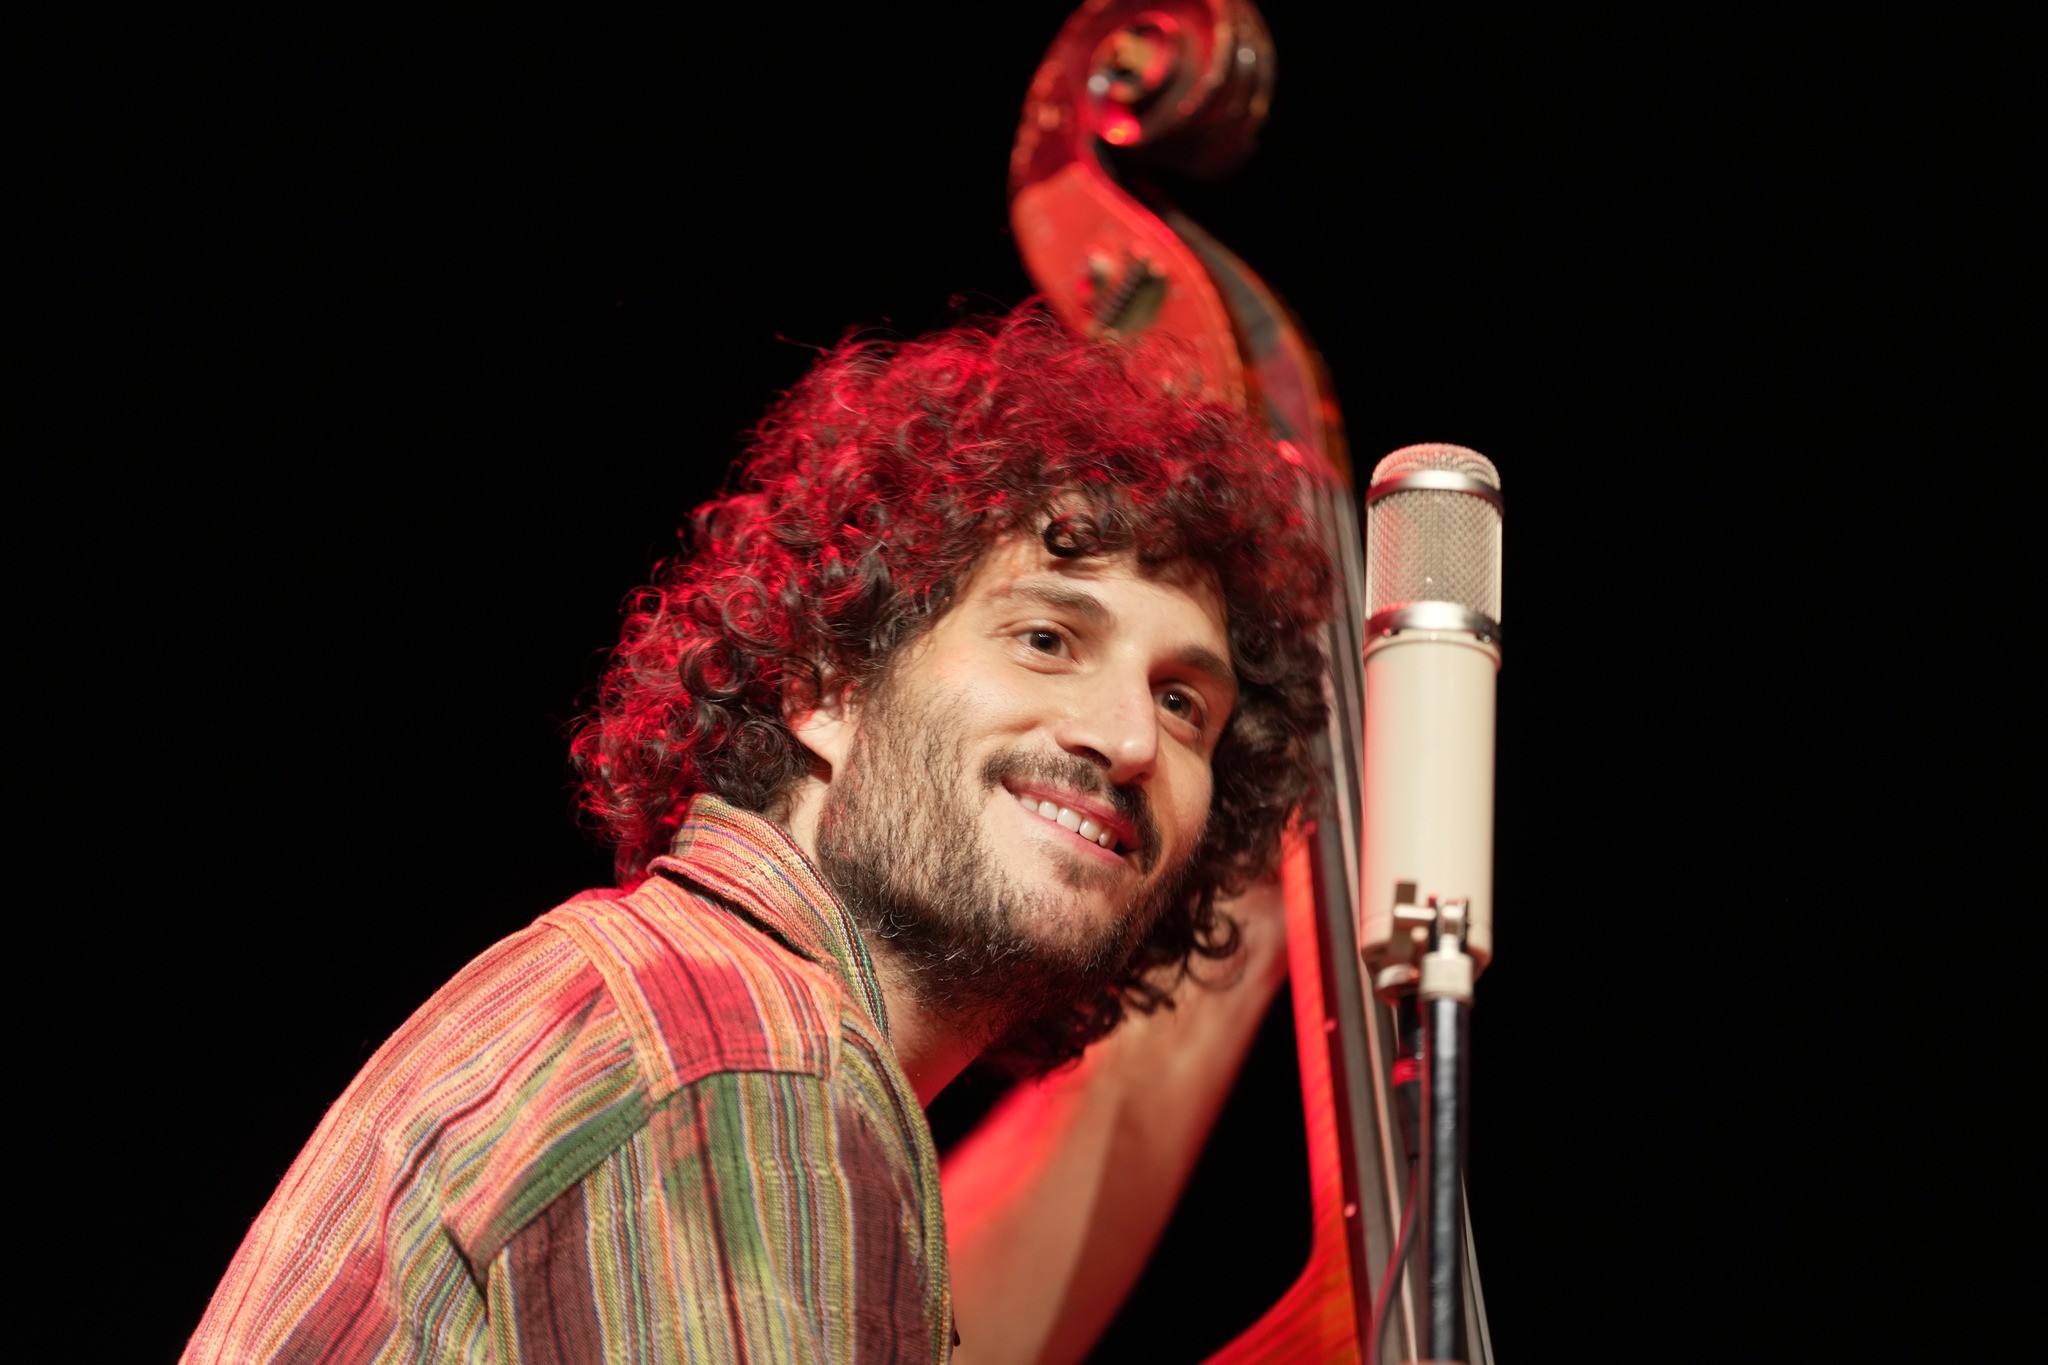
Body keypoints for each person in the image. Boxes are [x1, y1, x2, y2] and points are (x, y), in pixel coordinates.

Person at [185, 311, 1333, 1364]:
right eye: (1044, 639)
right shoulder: (738, 1046)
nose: (1128, 737)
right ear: (829, 682)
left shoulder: (701, 1007)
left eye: (1183, 703)